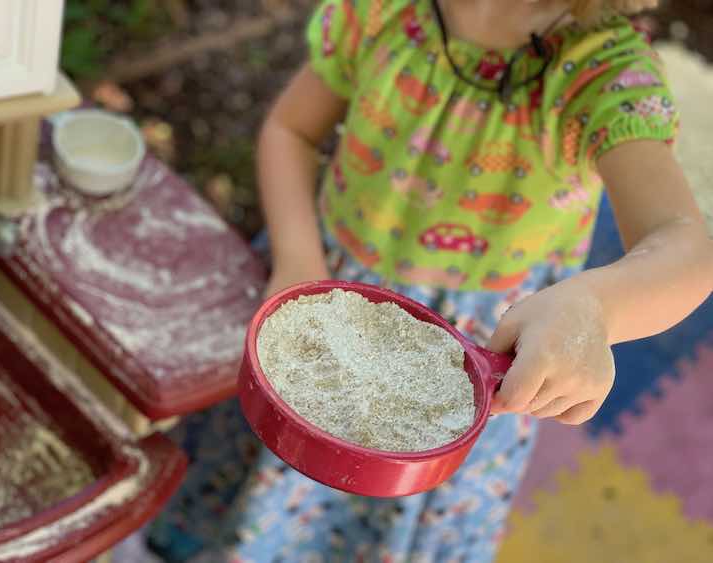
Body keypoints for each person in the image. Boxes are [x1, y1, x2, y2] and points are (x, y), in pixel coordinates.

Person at [148, 1, 713, 561]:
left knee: (371, 523)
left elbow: (685, 248)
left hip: (473, 357)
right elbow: (291, 129)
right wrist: (297, 256)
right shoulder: (382, 13)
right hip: (326, 290)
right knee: (254, 477)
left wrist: (594, 307)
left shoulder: (604, 74)